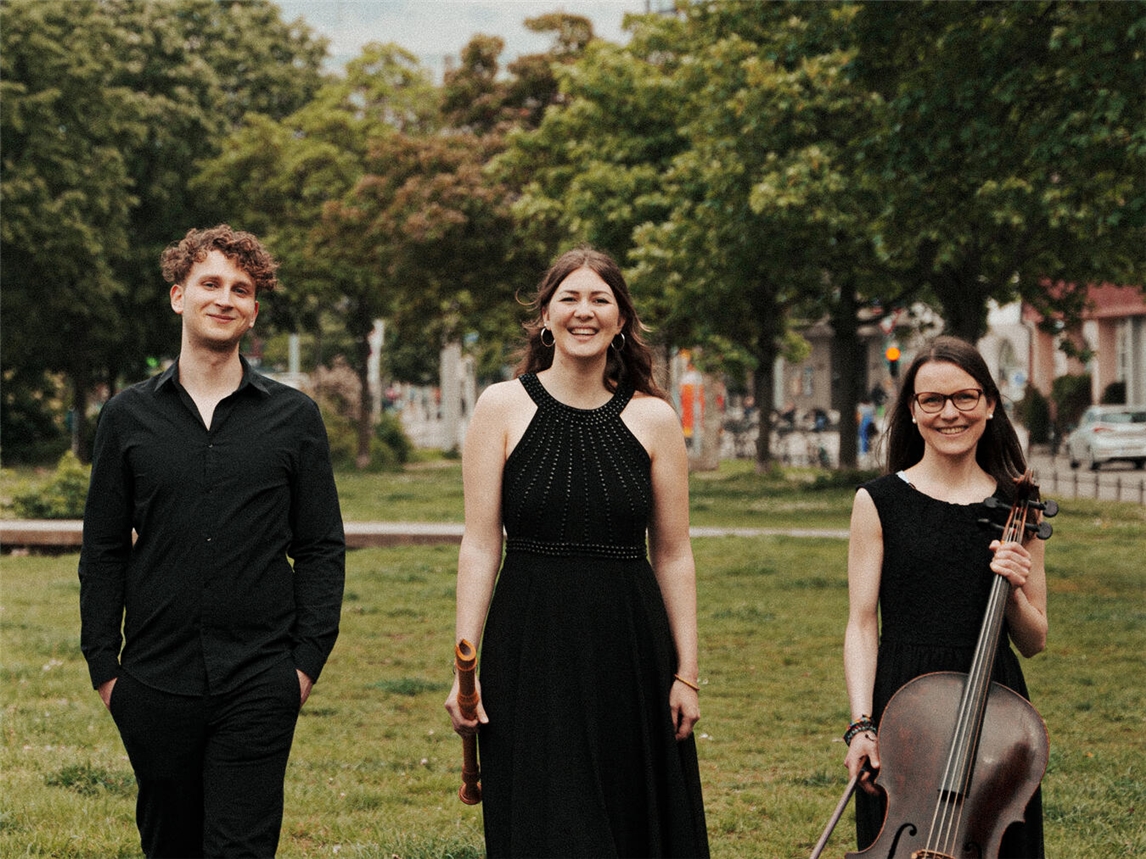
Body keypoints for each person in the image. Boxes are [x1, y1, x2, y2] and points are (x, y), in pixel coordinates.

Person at [79, 225, 346, 858]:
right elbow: (104, 546)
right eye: (210, 283)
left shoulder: (294, 418)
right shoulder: (126, 417)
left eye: (241, 289)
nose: (225, 298)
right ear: (179, 296)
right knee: (168, 844)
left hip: (261, 676)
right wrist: (104, 669)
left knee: (242, 849)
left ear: (254, 310)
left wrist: (304, 664)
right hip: (152, 679)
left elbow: (320, 547)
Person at [444, 246, 709, 858]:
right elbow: (481, 544)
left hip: (631, 649)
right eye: (570, 298)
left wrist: (686, 674)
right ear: (545, 315)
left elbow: (673, 553)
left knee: (628, 821)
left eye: (600, 300)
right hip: (529, 646)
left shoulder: (655, 419)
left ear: (621, 321)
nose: (583, 312)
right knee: (547, 822)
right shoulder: (500, 407)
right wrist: (466, 670)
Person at [842, 336, 1047, 856]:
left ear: (990, 404)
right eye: (932, 400)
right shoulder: (879, 501)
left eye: (964, 397)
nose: (949, 413)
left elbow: (1035, 639)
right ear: (912, 411)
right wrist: (862, 725)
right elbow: (863, 623)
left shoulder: (1018, 507)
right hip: (904, 704)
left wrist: (1015, 590)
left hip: (994, 708)